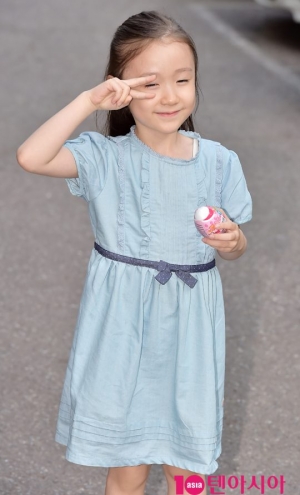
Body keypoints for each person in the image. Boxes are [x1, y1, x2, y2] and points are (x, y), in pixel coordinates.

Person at [16, 10, 252, 495]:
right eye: (149, 84)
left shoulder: (219, 162)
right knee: (127, 465)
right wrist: (88, 100)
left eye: (182, 80)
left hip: (189, 337)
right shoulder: (105, 159)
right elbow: (31, 156)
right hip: (122, 332)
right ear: (119, 88)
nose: (169, 96)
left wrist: (232, 242)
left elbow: (236, 246)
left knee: (187, 468)